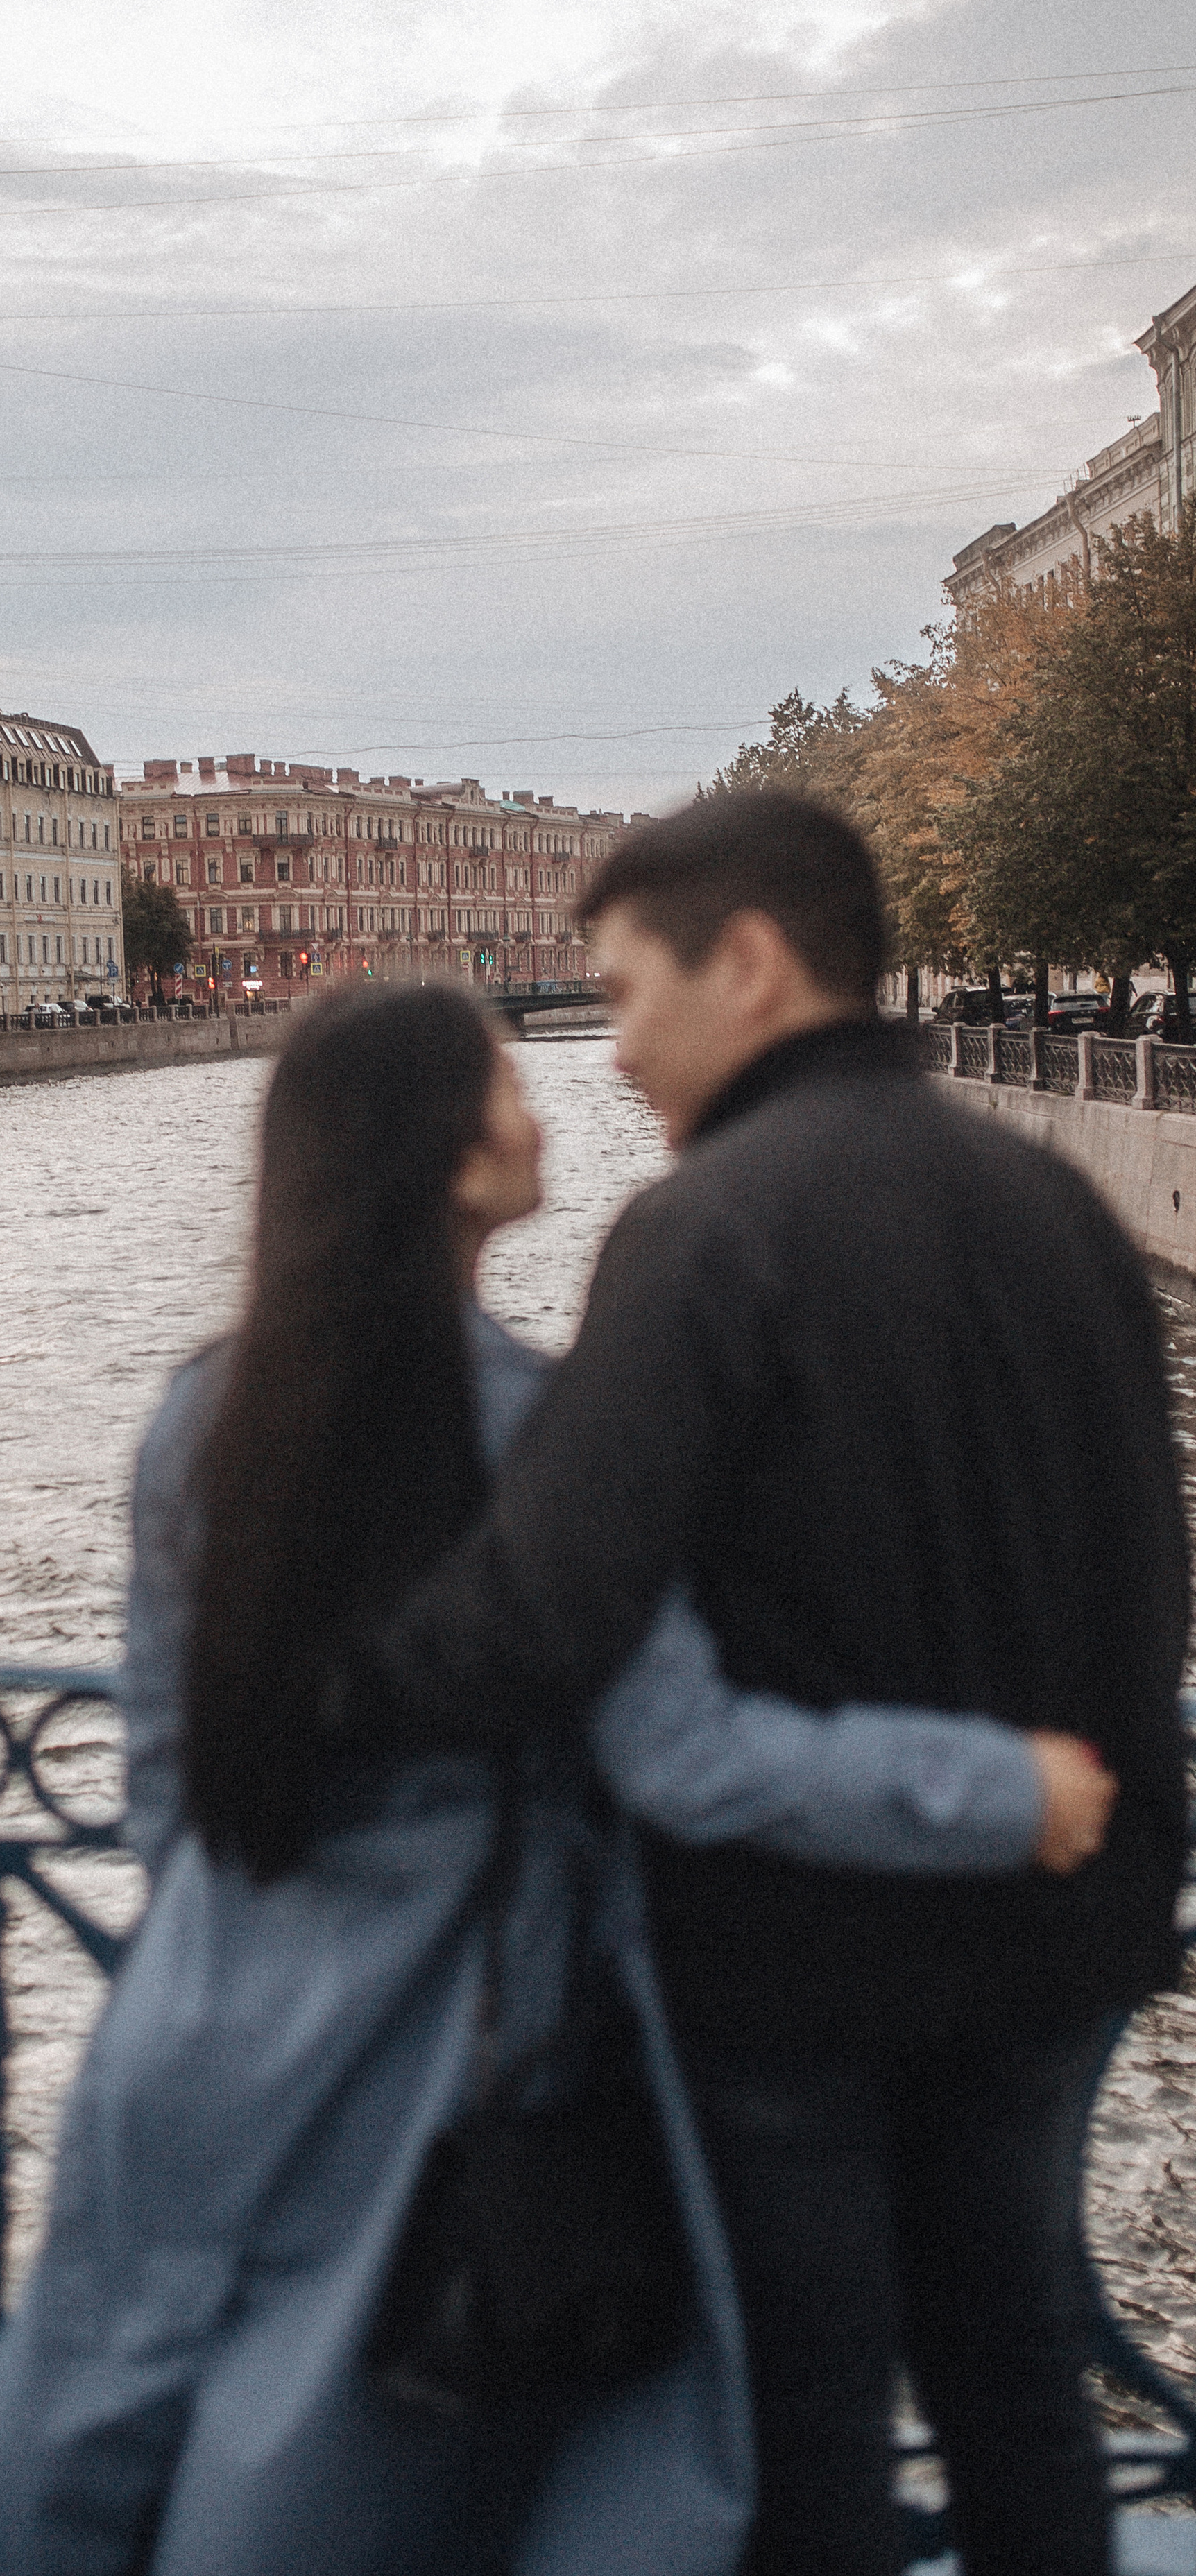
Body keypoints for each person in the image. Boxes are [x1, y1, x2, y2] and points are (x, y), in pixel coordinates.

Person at [0, 983, 1116, 2576]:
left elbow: (162, 1786)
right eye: (505, 1085)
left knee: (96, 2441)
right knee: (331, 2489)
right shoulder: (539, 1429)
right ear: (438, 1151)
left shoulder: (201, 1413)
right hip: (434, 2067)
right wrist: (993, 1787)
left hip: (198, 2027)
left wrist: (251, 1950)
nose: (542, 1109)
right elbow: (684, 1756)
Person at [355, 798, 1188, 2576]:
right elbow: (1144, 1573)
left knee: (804, 2420)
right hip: (1058, 1924)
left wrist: (330, 1692)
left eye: (626, 990)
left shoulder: (704, 1231)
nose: (619, 1043)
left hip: (799, 1958)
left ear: (746, 964)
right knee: (1017, 2384)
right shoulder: (1051, 1206)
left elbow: (543, 1610)